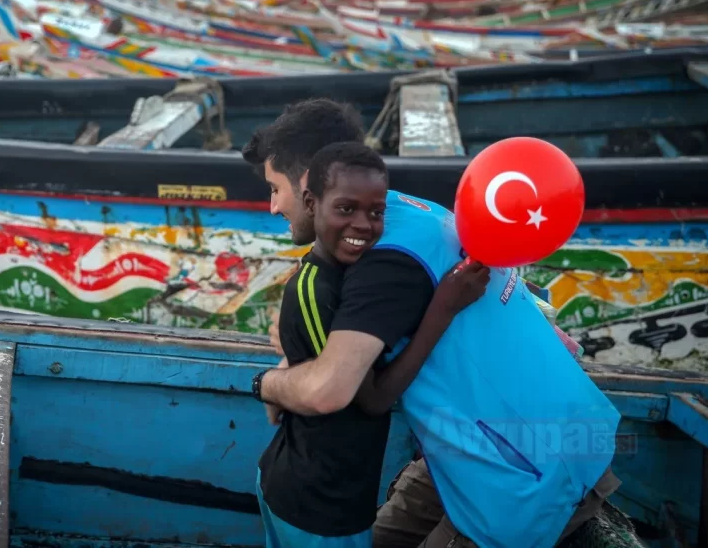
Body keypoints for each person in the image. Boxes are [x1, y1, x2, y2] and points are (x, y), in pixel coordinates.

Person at [244, 99, 622, 548]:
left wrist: (265, 383)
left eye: (275, 188)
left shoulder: (384, 264)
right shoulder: (415, 212)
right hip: (542, 435)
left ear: (309, 182)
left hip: (522, 473)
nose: (272, 207)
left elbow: (330, 390)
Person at [254, 141, 490, 547]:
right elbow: (371, 398)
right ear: (311, 203)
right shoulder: (315, 290)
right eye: (346, 209)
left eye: (376, 212)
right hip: (318, 503)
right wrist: (443, 307)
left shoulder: (341, 277)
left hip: (328, 494)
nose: (363, 225)